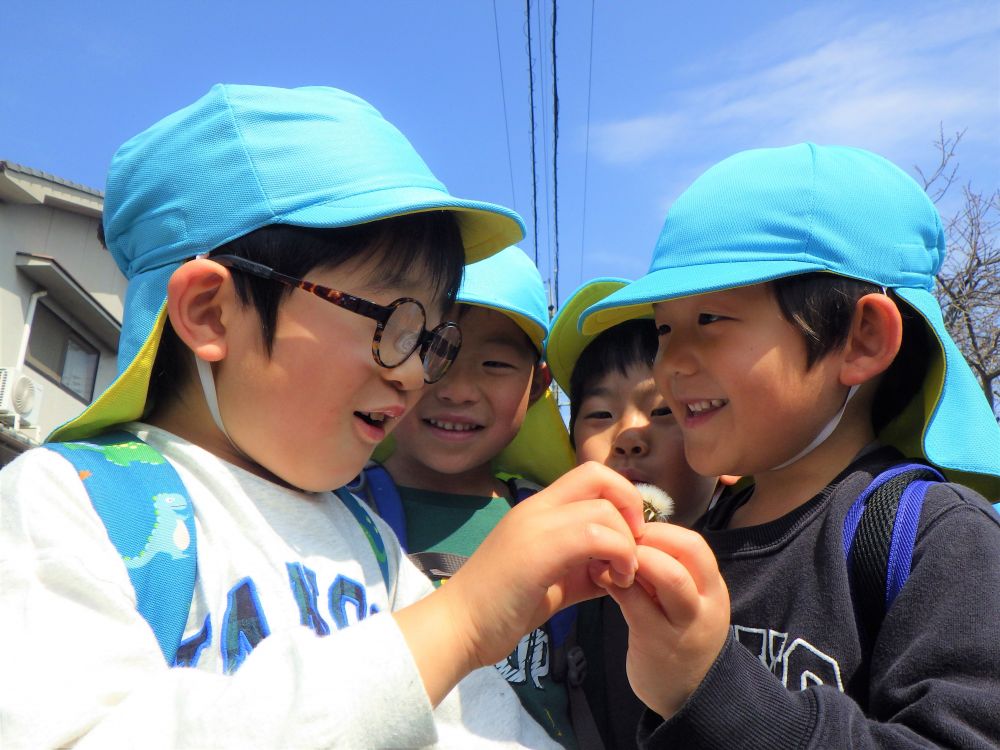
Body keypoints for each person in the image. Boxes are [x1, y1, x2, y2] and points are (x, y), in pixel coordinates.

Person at [0, 84, 645, 749]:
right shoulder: (75, 505)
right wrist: (458, 622)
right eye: (390, 321)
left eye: (428, 338)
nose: (414, 372)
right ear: (210, 312)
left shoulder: (369, 538)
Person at [578, 143, 1000, 749]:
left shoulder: (940, 539)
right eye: (664, 328)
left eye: (711, 320)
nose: (671, 363)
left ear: (862, 340)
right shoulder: (707, 530)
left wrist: (714, 689)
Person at [358, 244, 579, 746]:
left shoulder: (554, 518)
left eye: (496, 364)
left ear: (538, 384)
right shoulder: (341, 506)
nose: (457, 389)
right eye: (431, 351)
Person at [546, 279, 722, 749]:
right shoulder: (566, 584)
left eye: (664, 410)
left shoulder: (751, 570)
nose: (628, 435)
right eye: (600, 415)